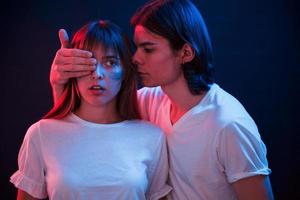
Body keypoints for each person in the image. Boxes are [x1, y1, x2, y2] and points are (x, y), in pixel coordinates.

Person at [49, 0, 274, 199]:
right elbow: (83, 126)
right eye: (137, 47)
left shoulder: (229, 125)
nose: (135, 58)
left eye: (148, 49)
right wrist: (60, 82)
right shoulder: (150, 100)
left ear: (185, 53)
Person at [10, 20, 171, 200]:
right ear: (70, 67)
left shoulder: (152, 137)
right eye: (87, 62)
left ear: (125, 71)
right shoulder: (40, 134)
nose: (97, 73)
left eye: (110, 62)